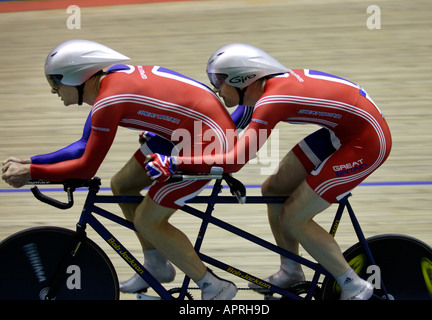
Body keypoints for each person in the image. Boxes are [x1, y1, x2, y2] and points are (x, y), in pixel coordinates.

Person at [1, 39, 245, 300]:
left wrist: (33, 174)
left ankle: (214, 287)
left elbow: (85, 168)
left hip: (207, 143)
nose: (54, 91)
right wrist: (31, 161)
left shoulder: (108, 101)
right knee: (122, 186)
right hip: (183, 132)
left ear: (75, 77)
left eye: (55, 82)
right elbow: (83, 145)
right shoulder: (108, 84)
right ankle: (156, 265)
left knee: (147, 220)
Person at [146, 43, 392, 300]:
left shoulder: (272, 100)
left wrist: (175, 164)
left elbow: (235, 160)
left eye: (219, 81)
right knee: (272, 189)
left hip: (367, 142)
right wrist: (171, 136)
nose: (217, 88)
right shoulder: (262, 90)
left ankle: (354, 286)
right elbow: (228, 126)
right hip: (341, 131)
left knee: (294, 217)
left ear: (243, 80)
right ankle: (291, 271)